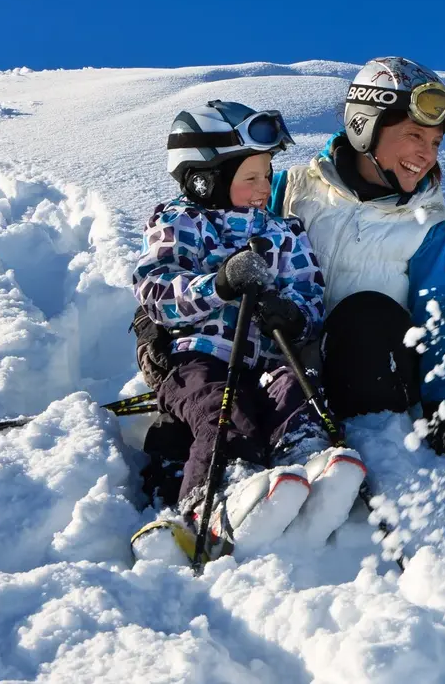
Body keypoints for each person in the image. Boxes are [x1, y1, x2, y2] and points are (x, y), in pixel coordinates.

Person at [127, 101, 367, 564]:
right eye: (251, 177)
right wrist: (217, 285)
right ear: (205, 178)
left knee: (298, 390)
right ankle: (211, 498)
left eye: (268, 172)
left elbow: (310, 293)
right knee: (224, 408)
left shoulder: (283, 232)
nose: (265, 187)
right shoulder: (180, 221)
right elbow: (155, 291)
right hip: (195, 358)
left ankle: (308, 461)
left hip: (271, 358)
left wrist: (292, 315)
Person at [269, 56, 445, 460]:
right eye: (415, 135)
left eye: (435, 142)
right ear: (364, 125)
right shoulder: (293, 189)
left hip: (375, 377)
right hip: (292, 369)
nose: (427, 154)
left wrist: (444, 409)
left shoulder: (427, 224)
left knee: (364, 314)